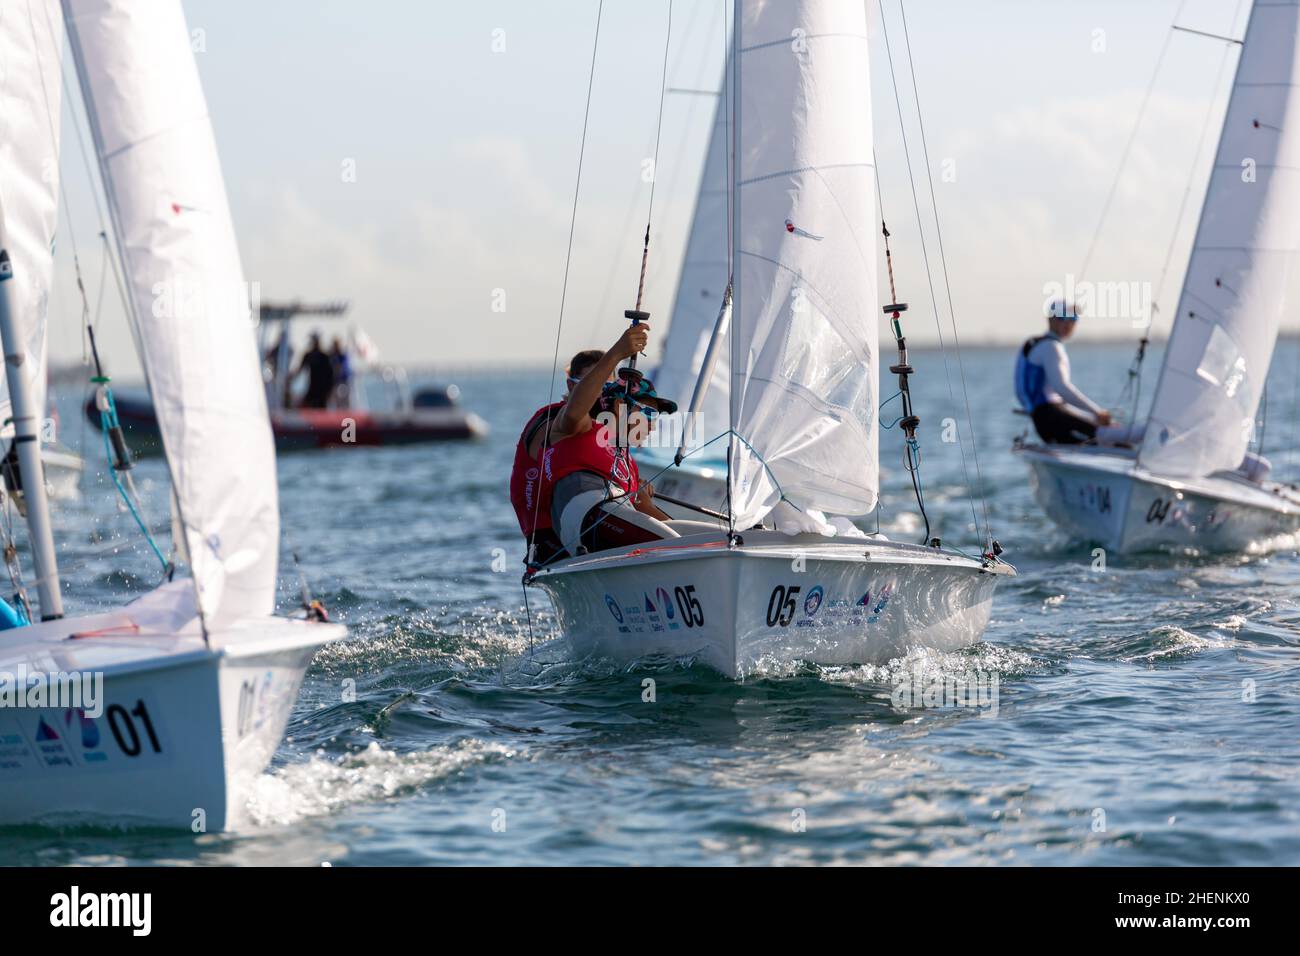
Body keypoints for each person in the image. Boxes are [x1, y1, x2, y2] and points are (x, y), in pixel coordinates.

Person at [540, 324, 679, 559]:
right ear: (618, 406)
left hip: (608, 521)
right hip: (585, 516)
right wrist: (618, 352)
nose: (652, 423)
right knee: (680, 549)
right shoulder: (577, 425)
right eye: (647, 412)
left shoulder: (622, 456)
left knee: (705, 542)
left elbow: (645, 510)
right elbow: (574, 412)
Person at [509, 348, 606, 563]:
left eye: (607, 384)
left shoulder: (604, 430)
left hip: (593, 530)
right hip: (550, 542)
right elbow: (572, 419)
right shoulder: (555, 421)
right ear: (572, 385)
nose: (601, 391)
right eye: (595, 382)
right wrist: (619, 351)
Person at [1015, 301, 1141, 445]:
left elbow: (1022, 391)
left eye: (1073, 319)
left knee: (1108, 439)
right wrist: (1097, 412)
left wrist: (1092, 417)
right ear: (1050, 319)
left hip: (1045, 419)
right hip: (1052, 418)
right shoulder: (1051, 347)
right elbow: (1061, 388)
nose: (1068, 323)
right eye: (1063, 318)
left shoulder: (1032, 343)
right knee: (1117, 437)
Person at [293, 333, 335, 410]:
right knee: (309, 406)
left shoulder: (324, 356)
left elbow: (330, 374)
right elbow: (300, 369)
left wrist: (330, 388)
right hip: (312, 387)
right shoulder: (309, 355)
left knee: (321, 409)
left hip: (322, 388)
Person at [330, 337, 353, 408]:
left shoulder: (343, 356)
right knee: (338, 402)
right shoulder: (333, 356)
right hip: (337, 382)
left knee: (346, 402)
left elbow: (341, 369)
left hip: (344, 381)